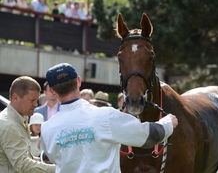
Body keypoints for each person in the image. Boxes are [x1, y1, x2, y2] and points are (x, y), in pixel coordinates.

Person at [41, 63, 178, 172]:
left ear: (52, 90)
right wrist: (168, 123)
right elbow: (147, 136)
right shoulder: (105, 116)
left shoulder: (46, 129)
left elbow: (55, 159)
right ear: (78, 82)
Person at [0, 76, 55, 172]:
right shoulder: (10, 125)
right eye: (31, 100)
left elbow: (19, 159)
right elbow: (23, 165)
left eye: (37, 100)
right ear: (15, 98)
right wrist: (59, 169)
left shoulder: (18, 118)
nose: (36, 104)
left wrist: (36, 160)